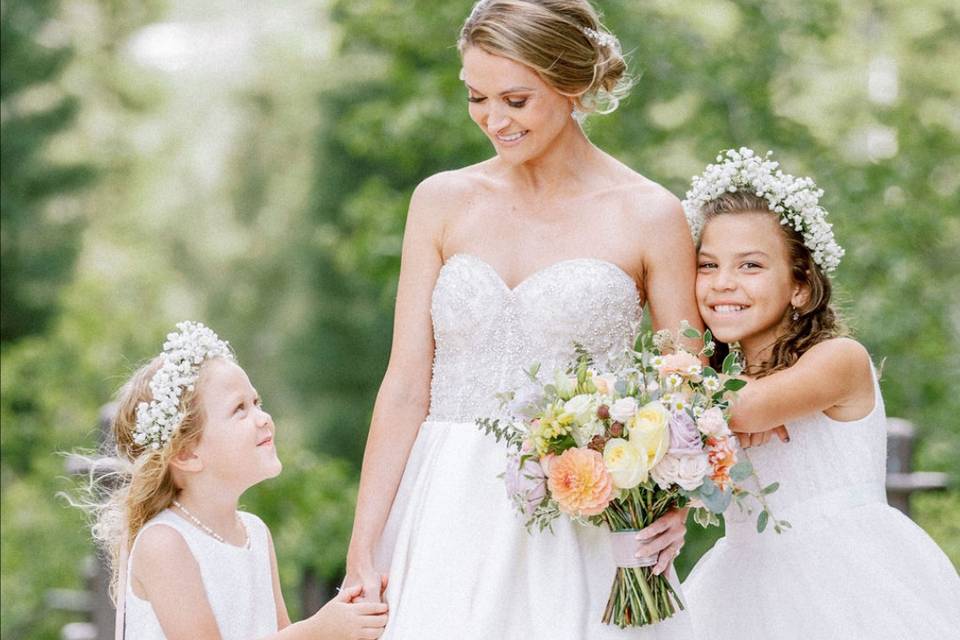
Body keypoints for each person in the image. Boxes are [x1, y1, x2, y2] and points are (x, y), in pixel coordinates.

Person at [343, 1, 700, 637]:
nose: (493, 120)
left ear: (573, 85)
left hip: (582, 516)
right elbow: (404, 383)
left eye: (515, 99)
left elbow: (685, 387)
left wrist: (674, 500)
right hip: (445, 506)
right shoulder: (441, 202)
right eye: (477, 98)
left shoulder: (650, 215)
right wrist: (363, 545)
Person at [680, 148, 960, 639]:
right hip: (742, 583)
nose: (723, 283)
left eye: (750, 266)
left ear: (801, 287)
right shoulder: (713, 385)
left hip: (847, 578)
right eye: (707, 265)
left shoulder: (839, 359)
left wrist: (695, 395)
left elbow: (742, 408)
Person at [82, 321, 388, 639]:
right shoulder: (165, 543)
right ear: (186, 454)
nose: (263, 417)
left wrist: (344, 617)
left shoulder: (254, 532)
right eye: (239, 409)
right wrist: (319, 629)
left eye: (257, 402)